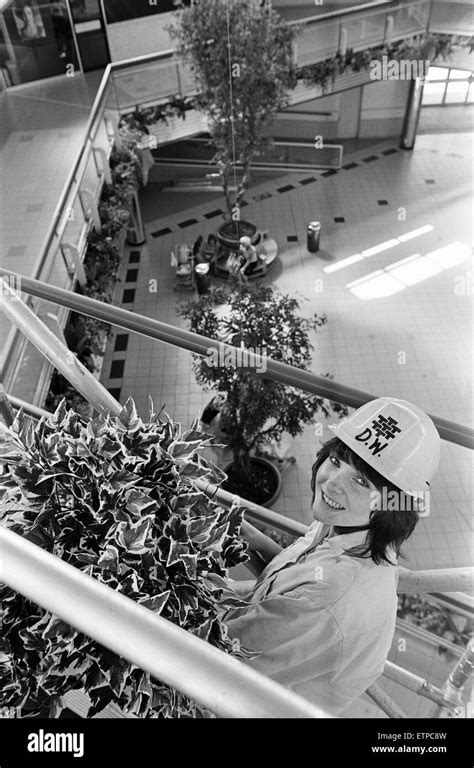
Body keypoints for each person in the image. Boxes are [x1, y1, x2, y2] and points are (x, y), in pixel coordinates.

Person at [224, 397, 441, 716]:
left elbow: (224, 654)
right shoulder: (352, 525)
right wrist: (257, 539)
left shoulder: (328, 597)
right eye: (337, 461)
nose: (331, 484)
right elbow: (301, 573)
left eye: (361, 482)